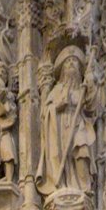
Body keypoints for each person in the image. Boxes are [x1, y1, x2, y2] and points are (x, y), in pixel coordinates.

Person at [37, 45, 95, 194]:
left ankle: (84, 186)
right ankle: (61, 183)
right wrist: (57, 107)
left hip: (78, 124)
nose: (71, 64)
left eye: (74, 61)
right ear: (62, 69)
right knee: (59, 153)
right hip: (59, 125)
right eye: (68, 61)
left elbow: (92, 108)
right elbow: (45, 113)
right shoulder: (57, 89)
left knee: (82, 151)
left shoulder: (82, 88)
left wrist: (91, 85)